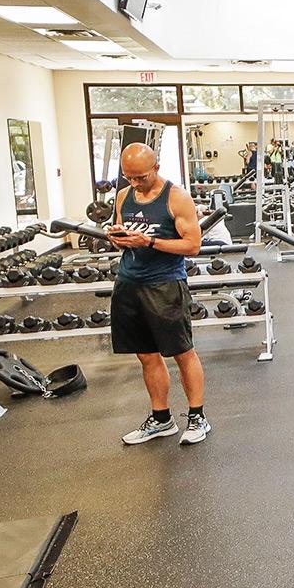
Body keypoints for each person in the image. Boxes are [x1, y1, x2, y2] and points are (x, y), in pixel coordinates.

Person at [108, 143, 211, 446]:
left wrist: (150, 241)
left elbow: (192, 245)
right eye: (129, 177)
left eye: (140, 176)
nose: (135, 183)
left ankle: (197, 417)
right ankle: (161, 419)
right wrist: (118, 238)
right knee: (146, 355)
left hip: (164, 285)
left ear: (155, 167)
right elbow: (122, 237)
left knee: (182, 352)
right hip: (129, 283)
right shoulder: (124, 196)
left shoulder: (176, 198)